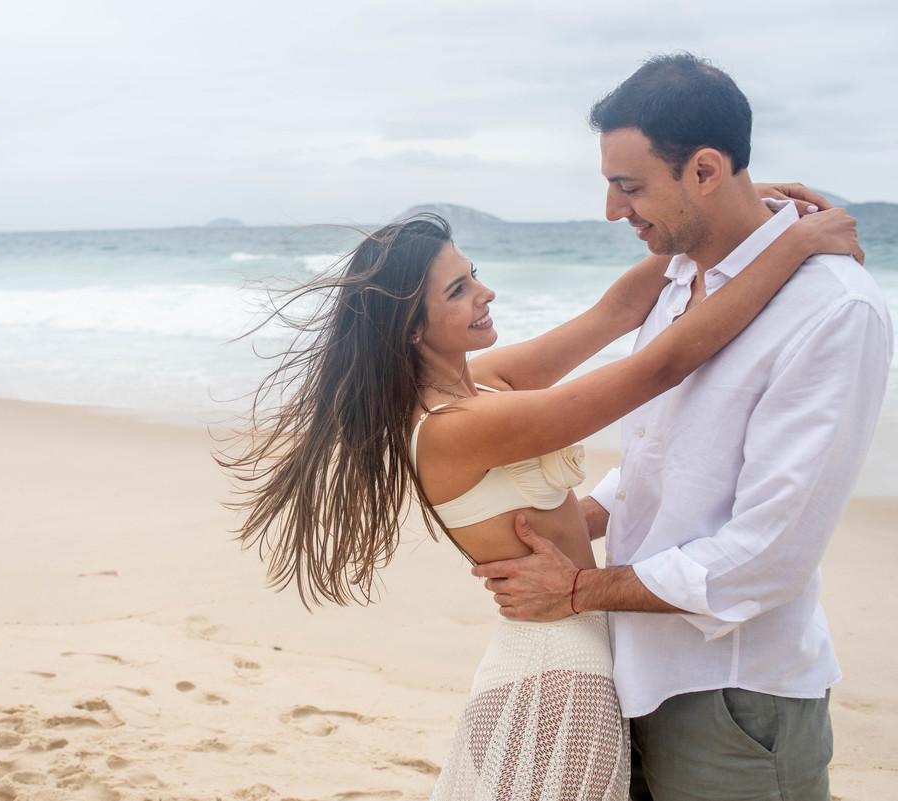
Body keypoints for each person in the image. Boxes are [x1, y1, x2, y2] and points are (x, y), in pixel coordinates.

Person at [221, 199, 861, 796]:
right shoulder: (455, 427)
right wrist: (796, 244)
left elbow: (614, 315)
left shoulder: (482, 385)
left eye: (474, 274)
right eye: (458, 290)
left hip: (561, 656)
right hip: (562, 670)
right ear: (410, 331)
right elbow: (661, 366)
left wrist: (743, 212)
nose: (484, 293)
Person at [473, 53, 893, 801]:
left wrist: (575, 588)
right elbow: (668, 456)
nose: (611, 211)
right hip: (632, 666)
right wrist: (584, 518)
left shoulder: (833, 308)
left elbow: (765, 556)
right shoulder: (674, 279)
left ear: (704, 170)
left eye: (629, 187)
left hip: (732, 695)